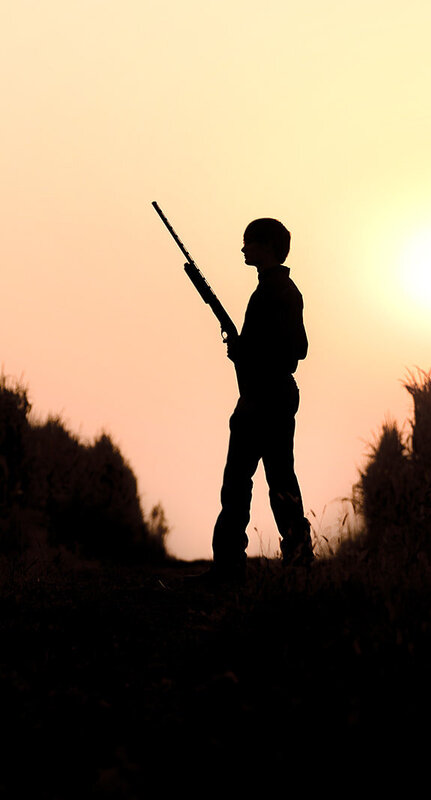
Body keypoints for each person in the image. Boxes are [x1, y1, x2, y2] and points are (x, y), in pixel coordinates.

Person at [198, 217, 313, 584]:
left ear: (266, 247)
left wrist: (247, 352)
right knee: (281, 481)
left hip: (262, 398)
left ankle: (229, 570)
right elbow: (292, 349)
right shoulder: (279, 289)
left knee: (237, 484)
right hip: (275, 396)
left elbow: (296, 350)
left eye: (249, 242)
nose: (244, 248)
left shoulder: (275, 292)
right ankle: (298, 565)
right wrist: (243, 351)